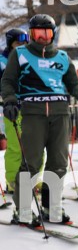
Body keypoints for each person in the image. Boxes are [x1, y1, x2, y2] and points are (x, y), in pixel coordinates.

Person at [1, 14, 78, 224]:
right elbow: (8, 81)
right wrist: (9, 101)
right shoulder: (19, 54)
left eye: (47, 33)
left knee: (59, 163)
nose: (43, 37)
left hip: (60, 114)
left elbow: (73, 85)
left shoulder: (62, 57)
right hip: (32, 114)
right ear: (31, 34)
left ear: (53, 34)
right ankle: (23, 209)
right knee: (31, 163)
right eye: (38, 33)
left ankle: (51, 206)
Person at [1, 28, 29, 194]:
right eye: (19, 43)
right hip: (10, 108)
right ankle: (12, 181)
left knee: (35, 146)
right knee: (15, 146)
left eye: (25, 42)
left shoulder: (29, 59)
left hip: (31, 107)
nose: (23, 46)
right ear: (10, 44)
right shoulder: (2, 61)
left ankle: (33, 179)